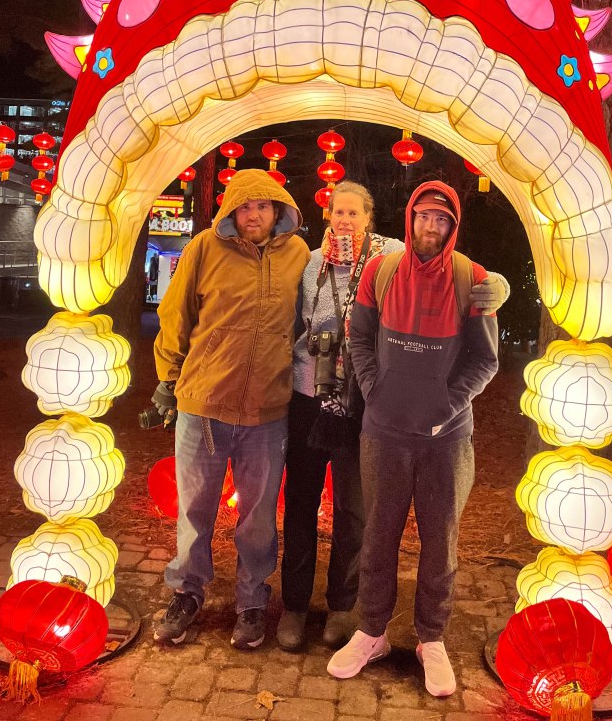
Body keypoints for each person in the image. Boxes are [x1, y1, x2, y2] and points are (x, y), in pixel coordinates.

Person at [278, 181, 508, 653]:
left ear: (369, 218)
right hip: (308, 393)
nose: (345, 221)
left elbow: (438, 263)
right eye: (338, 212)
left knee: (354, 509)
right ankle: (294, 606)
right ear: (328, 216)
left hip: (360, 401)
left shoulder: (387, 257)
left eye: (354, 213)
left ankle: (343, 606)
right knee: (300, 504)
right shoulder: (309, 263)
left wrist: (496, 286)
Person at [151, 169, 310, 650]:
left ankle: (252, 599)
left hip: (267, 410)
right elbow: (175, 314)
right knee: (194, 511)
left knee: (258, 518)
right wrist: (168, 378)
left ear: (278, 211)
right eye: (245, 207)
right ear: (231, 212)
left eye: (263, 206)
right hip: (205, 405)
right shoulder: (204, 248)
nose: (253, 215)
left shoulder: (299, 255)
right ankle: (187, 592)